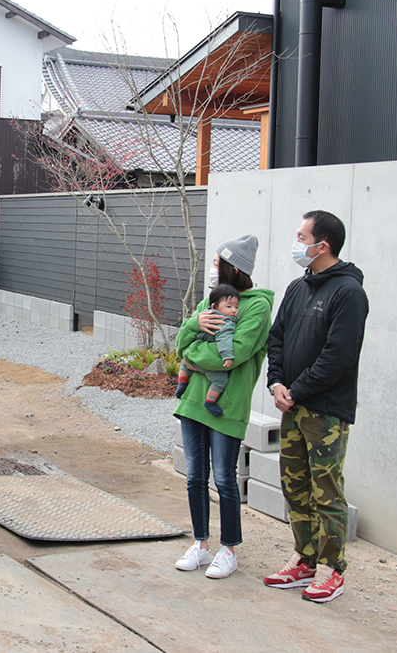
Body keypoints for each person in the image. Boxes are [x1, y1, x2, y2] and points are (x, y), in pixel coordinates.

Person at [263, 210, 369, 604]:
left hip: (325, 409)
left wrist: (297, 389)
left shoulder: (349, 293)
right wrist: (276, 383)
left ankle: (332, 570)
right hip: (292, 405)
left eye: (301, 235)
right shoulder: (298, 287)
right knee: (295, 486)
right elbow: (277, 339)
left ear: (322, 245)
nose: (296, 242)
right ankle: (304, 558)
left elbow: (337, 356)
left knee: (327, 490)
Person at [173, 235, 274, 579]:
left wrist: (192, 355)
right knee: (195, 477)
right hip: (192, 403)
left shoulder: (256, 307)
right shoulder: (211, 302)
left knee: (225, 479)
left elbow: (231, 357)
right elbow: (180, 344)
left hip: (226, 406)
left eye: (218, 263)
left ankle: (228, 549)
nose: (213, 270)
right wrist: (191, 325)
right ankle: (201, 544)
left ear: (234, 267)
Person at [175, 283, 241, 417]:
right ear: (215, 307)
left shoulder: (203, 314)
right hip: (204, 360)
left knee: (184, 363)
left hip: (191, 355)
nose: (233, 310)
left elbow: (185, 333)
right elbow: (224, 340)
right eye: (229, 306)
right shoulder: (225, 322)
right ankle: (210, 401)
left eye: (236, 307)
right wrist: (227, 356)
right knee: (220, 380)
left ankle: (182, 382)